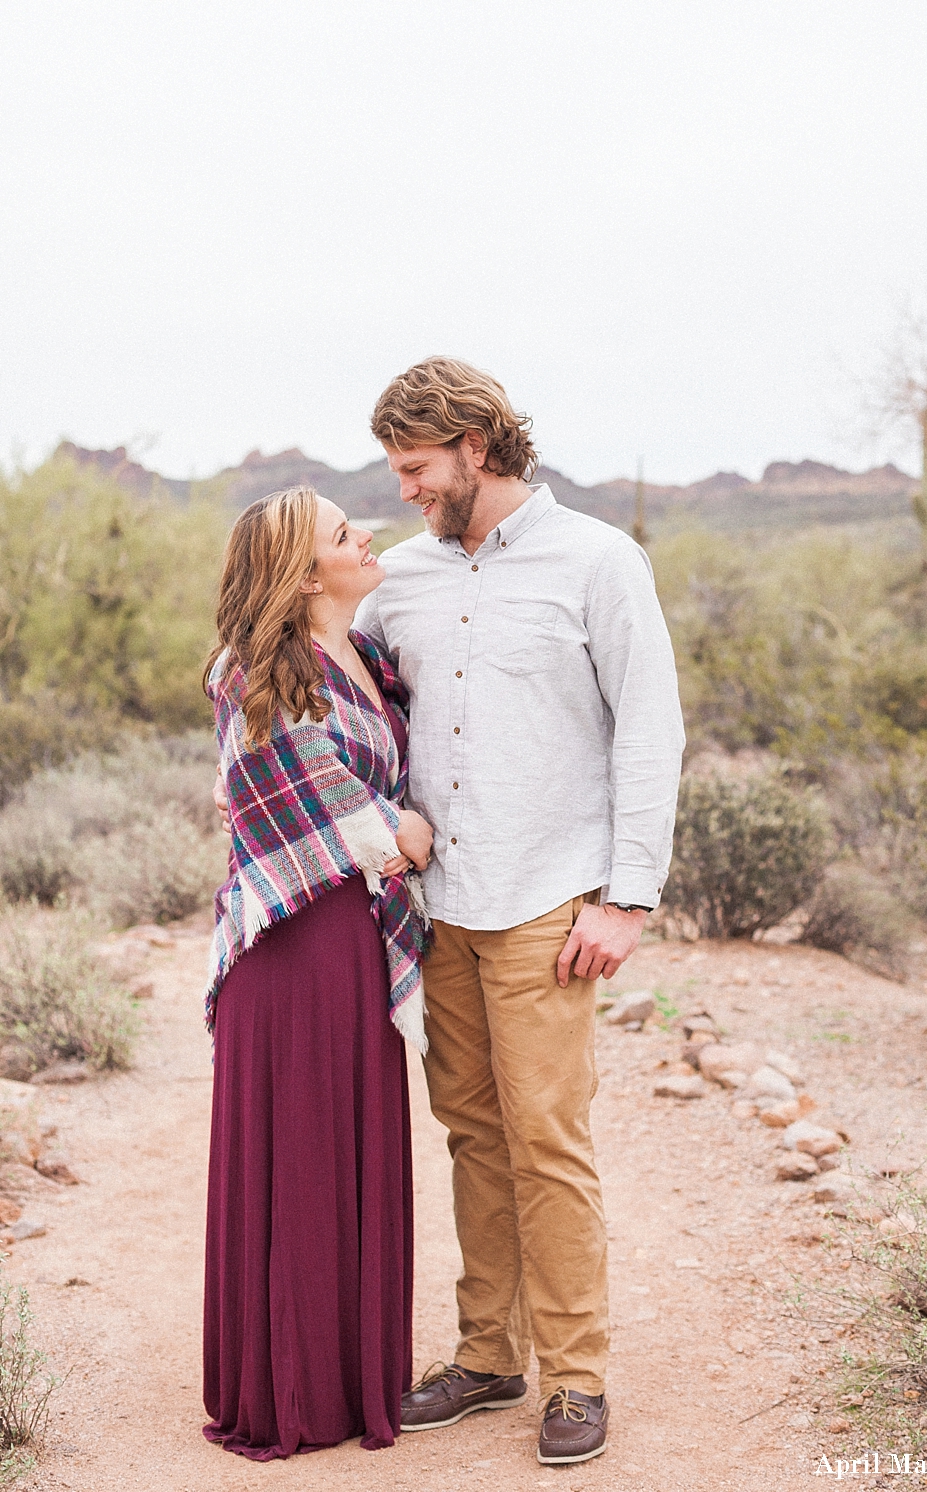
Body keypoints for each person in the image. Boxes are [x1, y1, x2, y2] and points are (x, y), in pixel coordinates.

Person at [356, 357, 685, 1465]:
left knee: (547, 1138)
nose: (401, 488)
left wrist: (627, 894)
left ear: (476, 450)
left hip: (553, 898)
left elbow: (647, 727)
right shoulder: (395, 579)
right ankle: (488, 1355)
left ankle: (576, 1375)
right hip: (440, 904)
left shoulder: (598, 559)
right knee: (471, 1132)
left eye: (415, 467)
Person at [201, 485, 434, 1461]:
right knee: (300, 1158)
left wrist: (396, 835)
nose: (367, 533)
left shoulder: (367, 654)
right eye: (345, 533)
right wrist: (405, 842)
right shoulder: (256, 671)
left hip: (355, 943)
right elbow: (329, 826)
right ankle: (287, 1393)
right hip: (294, 949)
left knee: (353, 1151)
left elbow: (375, 804)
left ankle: (348, 1380)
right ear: (304, 574)